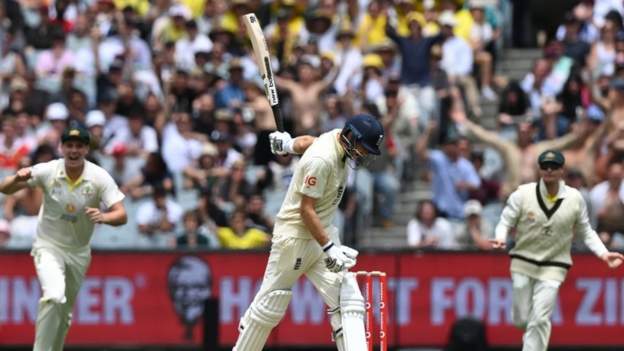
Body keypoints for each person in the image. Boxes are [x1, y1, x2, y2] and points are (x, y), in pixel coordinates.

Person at [232, 114, 384, 351]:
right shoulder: (322, 160)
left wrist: (288, 144)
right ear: (352, 137)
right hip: (295, 238)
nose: (363, 153)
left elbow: (311, 141)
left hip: (321, 233)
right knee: (269, 305)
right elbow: (305, 210)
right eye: (363, 147)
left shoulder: (336, 138)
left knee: (348, 302)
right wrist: (329, 247)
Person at [0, 124, 127, 351]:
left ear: (86, 149)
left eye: (79, 146)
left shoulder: (98, 177)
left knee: (64, 314)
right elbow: (4, 188)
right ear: (61, 147)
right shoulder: (48, 170)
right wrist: (17, 178)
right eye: (69, 145)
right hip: (48, 246)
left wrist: (105, 217)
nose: (74, 151)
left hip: (78, 252)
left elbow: (122, 214)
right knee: (54, 295)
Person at [490, 149, 624, 351]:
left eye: (554, 167)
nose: (549, 170)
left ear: (562, 170)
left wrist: (603, 253)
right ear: (539, 170)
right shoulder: (523, 194)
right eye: (545, 166)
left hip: (554, 265)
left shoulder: (574, 198)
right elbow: (505, 220)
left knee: (540, 317)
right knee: (521, 319)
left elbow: (586, 231)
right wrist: (500, 237)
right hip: (523, 262)